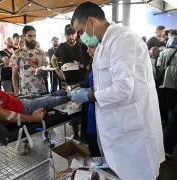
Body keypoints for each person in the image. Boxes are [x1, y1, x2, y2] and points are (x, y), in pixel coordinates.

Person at [70, 2, 165, 180]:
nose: (80, 36)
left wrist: (90, 95)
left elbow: (123, 88)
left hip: (132, 126)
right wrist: (90, 88)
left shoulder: (123, 39)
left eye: (81, 30)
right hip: (115, 126)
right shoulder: (103, 45)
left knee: (137, 173)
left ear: (91, 21)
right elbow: (109, 81)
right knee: (120, 171)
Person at [11, 25, 48, 95]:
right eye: (30, 36)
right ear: (24, 37)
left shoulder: (41, 52)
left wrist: (45, 71)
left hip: (41, 90)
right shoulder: (17, 53)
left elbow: (46, 71)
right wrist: (16, 92)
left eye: (34, 36)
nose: (33, 38)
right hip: (25, 92)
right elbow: (14, 75)